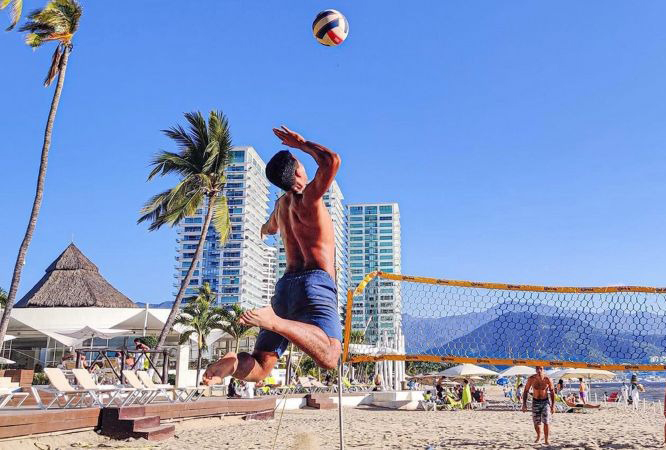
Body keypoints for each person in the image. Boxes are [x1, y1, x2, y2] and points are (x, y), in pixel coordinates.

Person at [203, 127, 342, 386]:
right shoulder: (310, 198)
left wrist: (265, 229)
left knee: (260, 367)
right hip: (315, 283)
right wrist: (301, 144)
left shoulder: (280, 206)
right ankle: (276, 322)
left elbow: (269, 228)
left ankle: (233, 364)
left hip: (285, 288)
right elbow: (331, 161)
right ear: (298, 172)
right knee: (331, 356)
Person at [522, 366, 555, 445]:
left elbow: (552, 392)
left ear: (543, 369)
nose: (539, 370)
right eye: (537, 368)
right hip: (535, 401)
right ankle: (539, 436)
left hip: (545, 402)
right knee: (536, 421)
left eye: (541, 368)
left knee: (546, 421)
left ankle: (546, 439)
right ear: (535, 370)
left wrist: (553, 405)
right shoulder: (531, 379)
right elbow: (526, 391)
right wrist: (524, 404)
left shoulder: (547, 379)